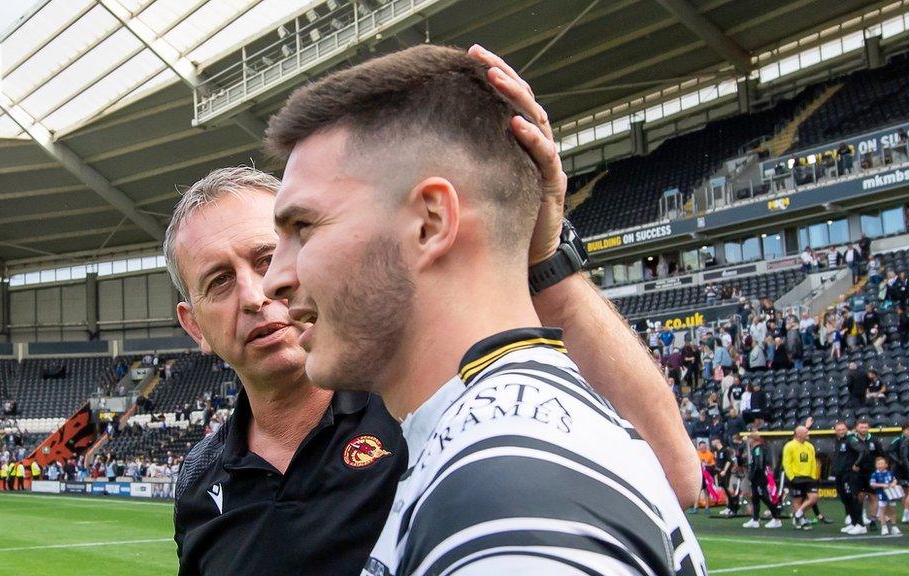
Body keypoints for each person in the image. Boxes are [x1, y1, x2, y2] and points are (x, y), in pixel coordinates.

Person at [262, 44, 704, 574]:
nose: (274, 280)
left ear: (430, 221)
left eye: (303, 228)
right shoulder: (498, 442)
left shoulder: (510, 495)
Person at [742, 432, 783, 528]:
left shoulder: (758, 449)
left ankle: (776, 518)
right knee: (755, 498)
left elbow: (759, 464)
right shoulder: (756, 449)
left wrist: (753, 475)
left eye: (750, 439)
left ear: (753, 440)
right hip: (757, 477)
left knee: (765, 497)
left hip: (759, 478)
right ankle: (755, 519)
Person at [782, 425, 819, 530]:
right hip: (796, 477)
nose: (808, 434)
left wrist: (813, 475)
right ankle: (802, 521)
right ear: (799, 434)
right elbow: (786, 463)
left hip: (809, 477)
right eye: (806, 433)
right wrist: (792, 477)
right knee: (797, 500)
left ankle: (797, 514)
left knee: (814, 498)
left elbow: (813, 462)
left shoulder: (810, 446)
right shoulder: (789, 446)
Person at [834, 421, 865, 533]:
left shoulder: (851, 439)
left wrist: (856, 464)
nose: (841, 432)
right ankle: (853, 522)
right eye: (839, 430)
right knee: (845, 499)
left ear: (846, 429)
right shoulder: (838, 440)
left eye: (843, 429)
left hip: (849, 474)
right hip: (840, 474)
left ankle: (860, 524)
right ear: (835, 431)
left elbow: (863, 451)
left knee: (853, 498)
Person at [869, 456, 903, 535]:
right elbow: (872, 484)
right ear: (876, 465)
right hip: (882, 495)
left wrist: (894, 483)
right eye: (878, 464)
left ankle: (894, 526)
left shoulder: (889, 473)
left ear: (886, 465)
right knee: (882, 511)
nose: (880, 465)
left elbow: (894, 480)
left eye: (882, 463)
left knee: (892, 510)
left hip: (891, 495)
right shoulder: (875, 474)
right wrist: (882, 485)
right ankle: (884, 527)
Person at [886, 423, 909, 524]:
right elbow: (890, 451)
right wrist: (898, 461)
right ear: (903, 430)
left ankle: (906, 513)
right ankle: (906, 513)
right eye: (907, 430)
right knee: (905, 492)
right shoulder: (898, 439)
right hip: (901, 469)